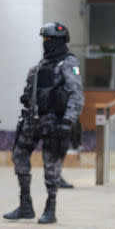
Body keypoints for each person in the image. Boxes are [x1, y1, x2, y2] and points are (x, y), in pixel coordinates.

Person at [3, 22, 84, 224]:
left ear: (59, 41)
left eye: (49, 40)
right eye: (44, 40)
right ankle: (25, 205)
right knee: (19, 155)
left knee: (51, 166)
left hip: (55, 121)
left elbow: (77, 95)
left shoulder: (68, 63)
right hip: (33, 120)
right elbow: (29, 93)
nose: (46, 43)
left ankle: (51, 208)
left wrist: (67, 121)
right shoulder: (40, 66)